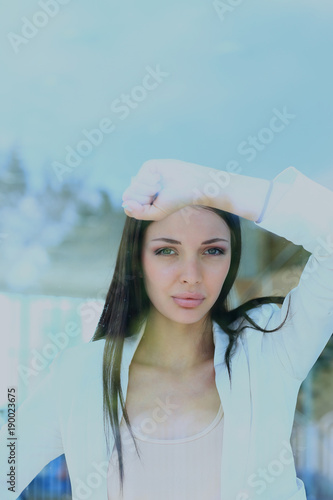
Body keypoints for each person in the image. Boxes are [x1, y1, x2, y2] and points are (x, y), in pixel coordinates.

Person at [0, 159, 332, 500]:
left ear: (232, 259)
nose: (191, 274)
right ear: (138, 261)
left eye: (213, 250)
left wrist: (207, 184)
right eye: (167, 250)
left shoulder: (271, 348)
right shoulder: (80, 374)